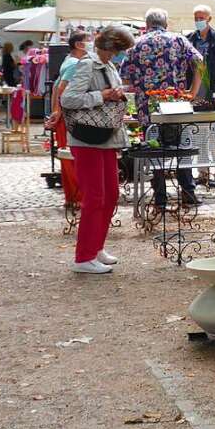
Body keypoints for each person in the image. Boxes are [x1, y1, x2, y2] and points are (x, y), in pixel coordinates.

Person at [60, 25, 134, 274]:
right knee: (95, 197)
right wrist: (102, 96)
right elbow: (68, 99)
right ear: (113, 48)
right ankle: (83, 257)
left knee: (111, 194)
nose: (124, 55)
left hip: (106, 137)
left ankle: (96, 247)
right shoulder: (87, 65)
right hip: (88, 138)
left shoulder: (108, 65)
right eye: (123, 50)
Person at [121, 8, 202, 205]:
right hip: (177, 105)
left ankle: (160, 198)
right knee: (183, 147)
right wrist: (193, 91)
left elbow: (124, 78)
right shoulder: (179, 40)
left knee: (153, 150)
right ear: (166, 23)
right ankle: (188, 193)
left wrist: (143, 84)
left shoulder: (135, 44)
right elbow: (199, 62)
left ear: (146, 24)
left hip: (148, 107)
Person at [47, 31, 93, 208]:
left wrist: (55, 111)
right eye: (88, 40)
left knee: (67, 156)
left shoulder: (69, 61)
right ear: (79, 45)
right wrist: (58, 111)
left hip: (63, 114)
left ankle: (72, 196)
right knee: (73, 156)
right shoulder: (76, 63)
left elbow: (56, 87)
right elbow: (61, 88)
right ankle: (78, 196)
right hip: (68, 115)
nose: (91, 43)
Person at [187, 4, 215, 107]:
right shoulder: (189, 39)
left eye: (201, 18)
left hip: (211, 81)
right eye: (196, 19)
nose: (198, 21)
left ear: (209, 19)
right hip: (192, 80)